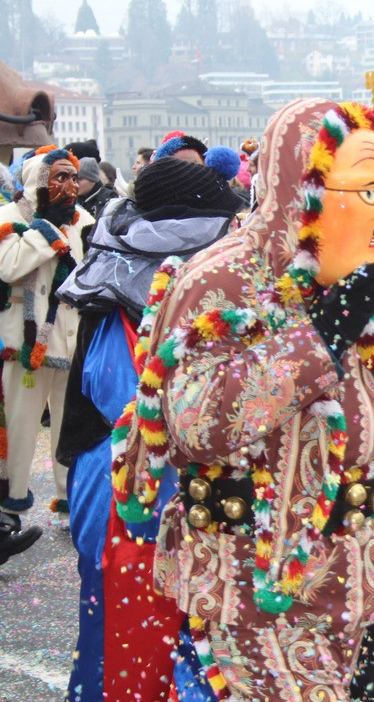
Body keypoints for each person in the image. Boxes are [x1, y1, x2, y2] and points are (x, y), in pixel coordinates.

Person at [111, 99, 374, 701]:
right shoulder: (218, 279)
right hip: (255, 574)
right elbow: (192, 424)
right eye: (364, 190)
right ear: (304, 188)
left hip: (368, 573)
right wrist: (315, 340)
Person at [56, 150, 243, 702]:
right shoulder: (158, 279)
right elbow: (119, 391)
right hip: (139, 474)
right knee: (157, 624)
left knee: (148, 625)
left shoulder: (117, 262)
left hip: (134, 471)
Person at [0, 146, 93, 521]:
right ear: (39, 179)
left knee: (70, 425)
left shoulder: (82, 218)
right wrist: (45, 230)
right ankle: (10, 507)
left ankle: (71, 499)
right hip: (25, 344)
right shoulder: (9, 216)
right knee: (20, 428)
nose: (70, 185)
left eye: (73, 177)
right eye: (60, 176)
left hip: (71, 338)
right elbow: (9, 267)